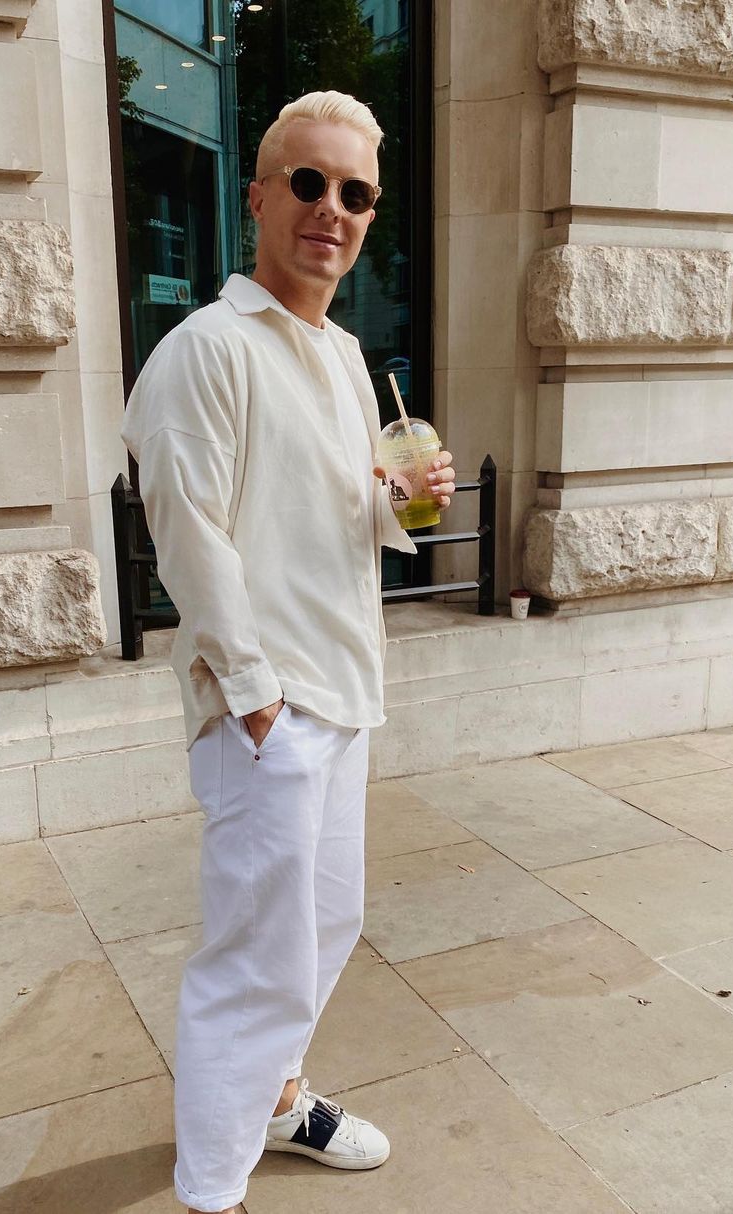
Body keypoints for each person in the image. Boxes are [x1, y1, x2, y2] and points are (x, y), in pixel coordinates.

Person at [120, 90, 456, 1214]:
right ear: (259, 196)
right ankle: (212, 1191)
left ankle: (277, 1099)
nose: (331, 209)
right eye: (308, 183)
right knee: (254, 964)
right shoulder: (206, 350)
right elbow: (189, 535)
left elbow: (349, 521)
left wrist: (404, 498)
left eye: (355, 193)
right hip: (269, 708)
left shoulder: (346, 352)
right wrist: (256, 699)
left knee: (322, 927)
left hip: (341, 692)